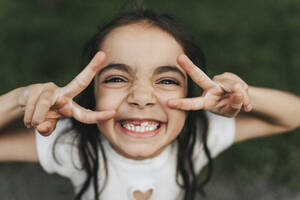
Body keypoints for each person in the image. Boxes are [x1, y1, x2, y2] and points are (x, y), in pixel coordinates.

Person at [1, 9, 300, 200]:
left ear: (191, 96)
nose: (141, 97)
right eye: (117, 79)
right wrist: (20, 100)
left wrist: (244, 96)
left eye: (167, 80)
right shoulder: (72, 145)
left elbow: (292, 115)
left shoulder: (198, 135)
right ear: (91, 95)